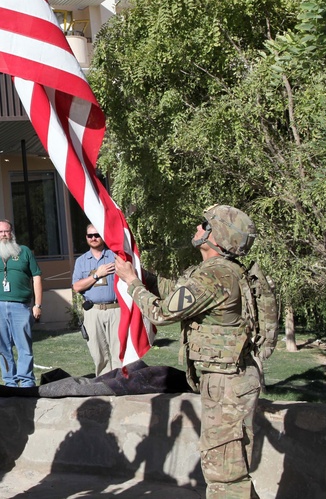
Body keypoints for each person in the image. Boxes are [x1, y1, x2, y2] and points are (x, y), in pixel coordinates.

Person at [114, 205, 260, 499]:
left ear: (215, 236)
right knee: (229, 469)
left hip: (226, 383)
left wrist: (132, 284)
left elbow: (163, 313)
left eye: (203, 224)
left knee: (224, 476)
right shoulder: (218, 273)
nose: (197, 228)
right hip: (226, 380)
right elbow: (177, 293)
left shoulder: (215, 277)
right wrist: (145, 276)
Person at [0, 220, 42, 388]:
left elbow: (37, 277)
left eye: (6, 231)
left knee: (24, 345)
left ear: (12, 233)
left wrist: (37, 304)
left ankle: (26, 382)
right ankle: (10, 382)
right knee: (3, 347)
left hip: (21, 306)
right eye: (0, 232)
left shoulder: (24, 252)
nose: (3, 234)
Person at [72, 223, 121, 376]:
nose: (93, 238)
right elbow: (77, 286)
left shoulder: (115, 256)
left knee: (119, 350)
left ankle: (121, 383)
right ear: (86, 238)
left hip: (116, 310)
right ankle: (104, 383)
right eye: (90, 235)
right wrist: (97, 275)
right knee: (98, 352)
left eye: (97, 235)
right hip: (93, 312)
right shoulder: (81, 261)